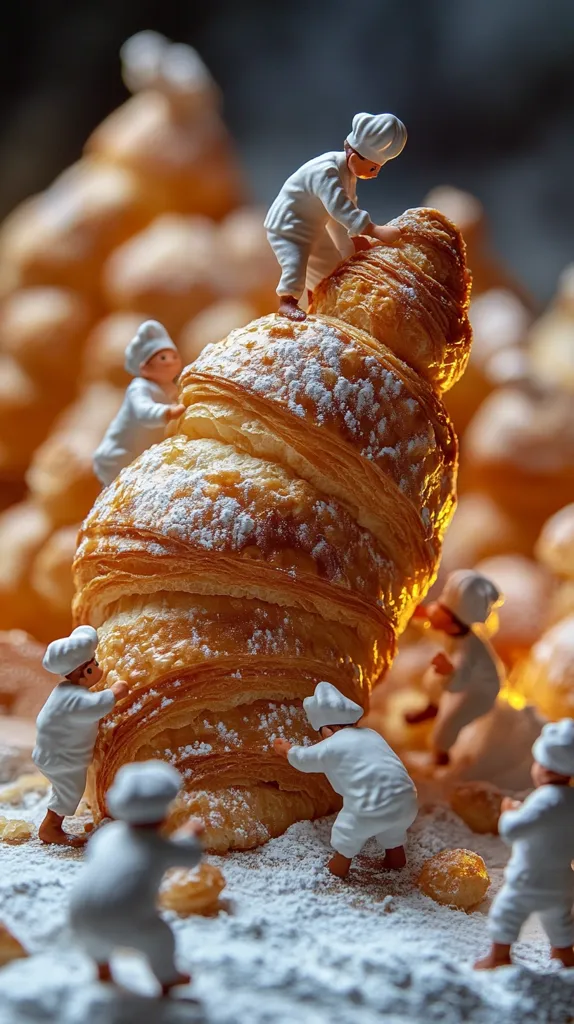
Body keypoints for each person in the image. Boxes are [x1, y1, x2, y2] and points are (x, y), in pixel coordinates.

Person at [69, 761, 204, 995]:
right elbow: (188, 856)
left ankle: (102, 967)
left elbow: (95, 857)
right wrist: (190, 834)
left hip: (80, 911)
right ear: (164, 816)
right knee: (160, 939)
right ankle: (167, 978)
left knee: (95, 939)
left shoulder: (108, 834)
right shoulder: (156, 847)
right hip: (125, 917)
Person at [264, 112, 407, 320]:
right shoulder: (327, 171)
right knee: (295, 262)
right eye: (374, 167)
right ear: (355, 156)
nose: (375, 173)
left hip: (314, 225)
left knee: (328, 267)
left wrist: (350, 243)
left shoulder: (348, 174)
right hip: (288, 225)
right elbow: (339, 209)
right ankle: (287, 302)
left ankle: (318, 303)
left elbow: (339, 217)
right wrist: (374, 230)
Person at [274, 681, 417, 879]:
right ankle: (396, 858)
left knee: (348, 830)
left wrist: (288, 751)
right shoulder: (372, 734)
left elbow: (305, 760)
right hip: (407, 800)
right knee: (393, 830)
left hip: (371, 805)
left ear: (329, 728)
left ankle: (338, 867)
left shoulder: (334, 744)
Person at [475, 719, 574, 970]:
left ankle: (499, 957)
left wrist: (508, 812)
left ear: (545, 769)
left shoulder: (544, 800)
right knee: (559, 920)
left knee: (506, 913)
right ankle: (564, 956)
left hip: (530, 879)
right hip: (562, 879)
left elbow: (512, 831)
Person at [32, 626, 128, 846]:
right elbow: (94, 707)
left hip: (53, 755)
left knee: (65, 789)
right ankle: (51, 829)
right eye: (94, 665)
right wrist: (115, 692)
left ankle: (52, 826)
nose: (98, 667)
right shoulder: (75, 699)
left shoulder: (65, 691)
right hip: (61, 759)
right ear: (85, 672)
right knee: (70, 791)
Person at [405, 570, 504, 765]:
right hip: (464, 680)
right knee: (432, 680)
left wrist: (449, 670)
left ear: (453, 624)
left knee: (448, 723)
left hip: (479, 692)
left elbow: (460, 678)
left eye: (440, 610)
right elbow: (433, 627)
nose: (432, 610)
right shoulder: (453, 633)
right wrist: (419, 616)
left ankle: (439, 759)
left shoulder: (466, 649)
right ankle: (432, 707)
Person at [93, 319, 185, 487]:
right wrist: (165, 413)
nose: (170, 362)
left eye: (173, 356)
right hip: (122, 454)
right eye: (163, 358)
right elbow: (144, 410)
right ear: (145, 368)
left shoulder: (166, 387)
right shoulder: (138, 388)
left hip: (146, 449)